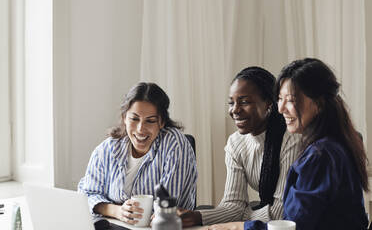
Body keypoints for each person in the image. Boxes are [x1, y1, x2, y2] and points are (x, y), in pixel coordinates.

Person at [206, 58, 369, 230]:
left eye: (290, 100)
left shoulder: (320, 155)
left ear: (318, 103)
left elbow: (293, 226)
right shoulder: (331, 144)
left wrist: (239, 225)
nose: (281, 108)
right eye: (279, 99)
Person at [180, 67, 302, 227]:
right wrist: (195, 217)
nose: (235, 110)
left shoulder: (290, 139)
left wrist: (244, 215)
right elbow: (233, 205)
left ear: (269, 105)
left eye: (244, 102)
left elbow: (281, 212)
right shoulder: (235, 143)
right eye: (231, 102)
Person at [78, 82, 197, 225]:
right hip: (115, 226)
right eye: (134, 119)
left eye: (150, 121)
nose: (141, 129)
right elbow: (87, 195)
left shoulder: (174, 143)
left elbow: (167, 206)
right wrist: (117, 211)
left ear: (162, 122)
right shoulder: (107, 149)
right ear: (124, 118)